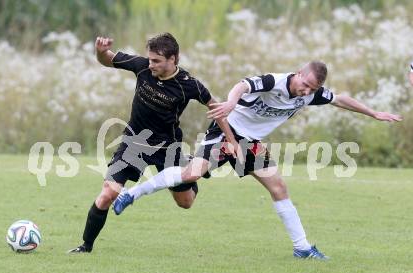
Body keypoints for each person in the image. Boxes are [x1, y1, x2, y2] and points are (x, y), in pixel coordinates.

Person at [113, 61, 402, 260]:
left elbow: (341, 99)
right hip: (228, 133)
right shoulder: (275, 81)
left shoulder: (310, 95)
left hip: (251, 145)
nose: (306, 91)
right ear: (299, 73)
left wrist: (374, 113)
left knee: (279, 189)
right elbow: (243, 85)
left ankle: (302, 248)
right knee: (190, 175)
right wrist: (229, 103)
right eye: (305, 84)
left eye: (312, 88)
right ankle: (131, 193)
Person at [68, 33, 232, 253]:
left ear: (173, 59)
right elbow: (108, 59)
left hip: (168, 148)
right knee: (108, 192)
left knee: (185, 202)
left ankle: (192, 166)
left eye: (157, 60)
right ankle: (85, 246)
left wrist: (232, 141)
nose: (151, 64)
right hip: (133, 143)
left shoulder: (188, 85)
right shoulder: (142, 67)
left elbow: (216, 109)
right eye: (150, 59)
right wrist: (100, 51)